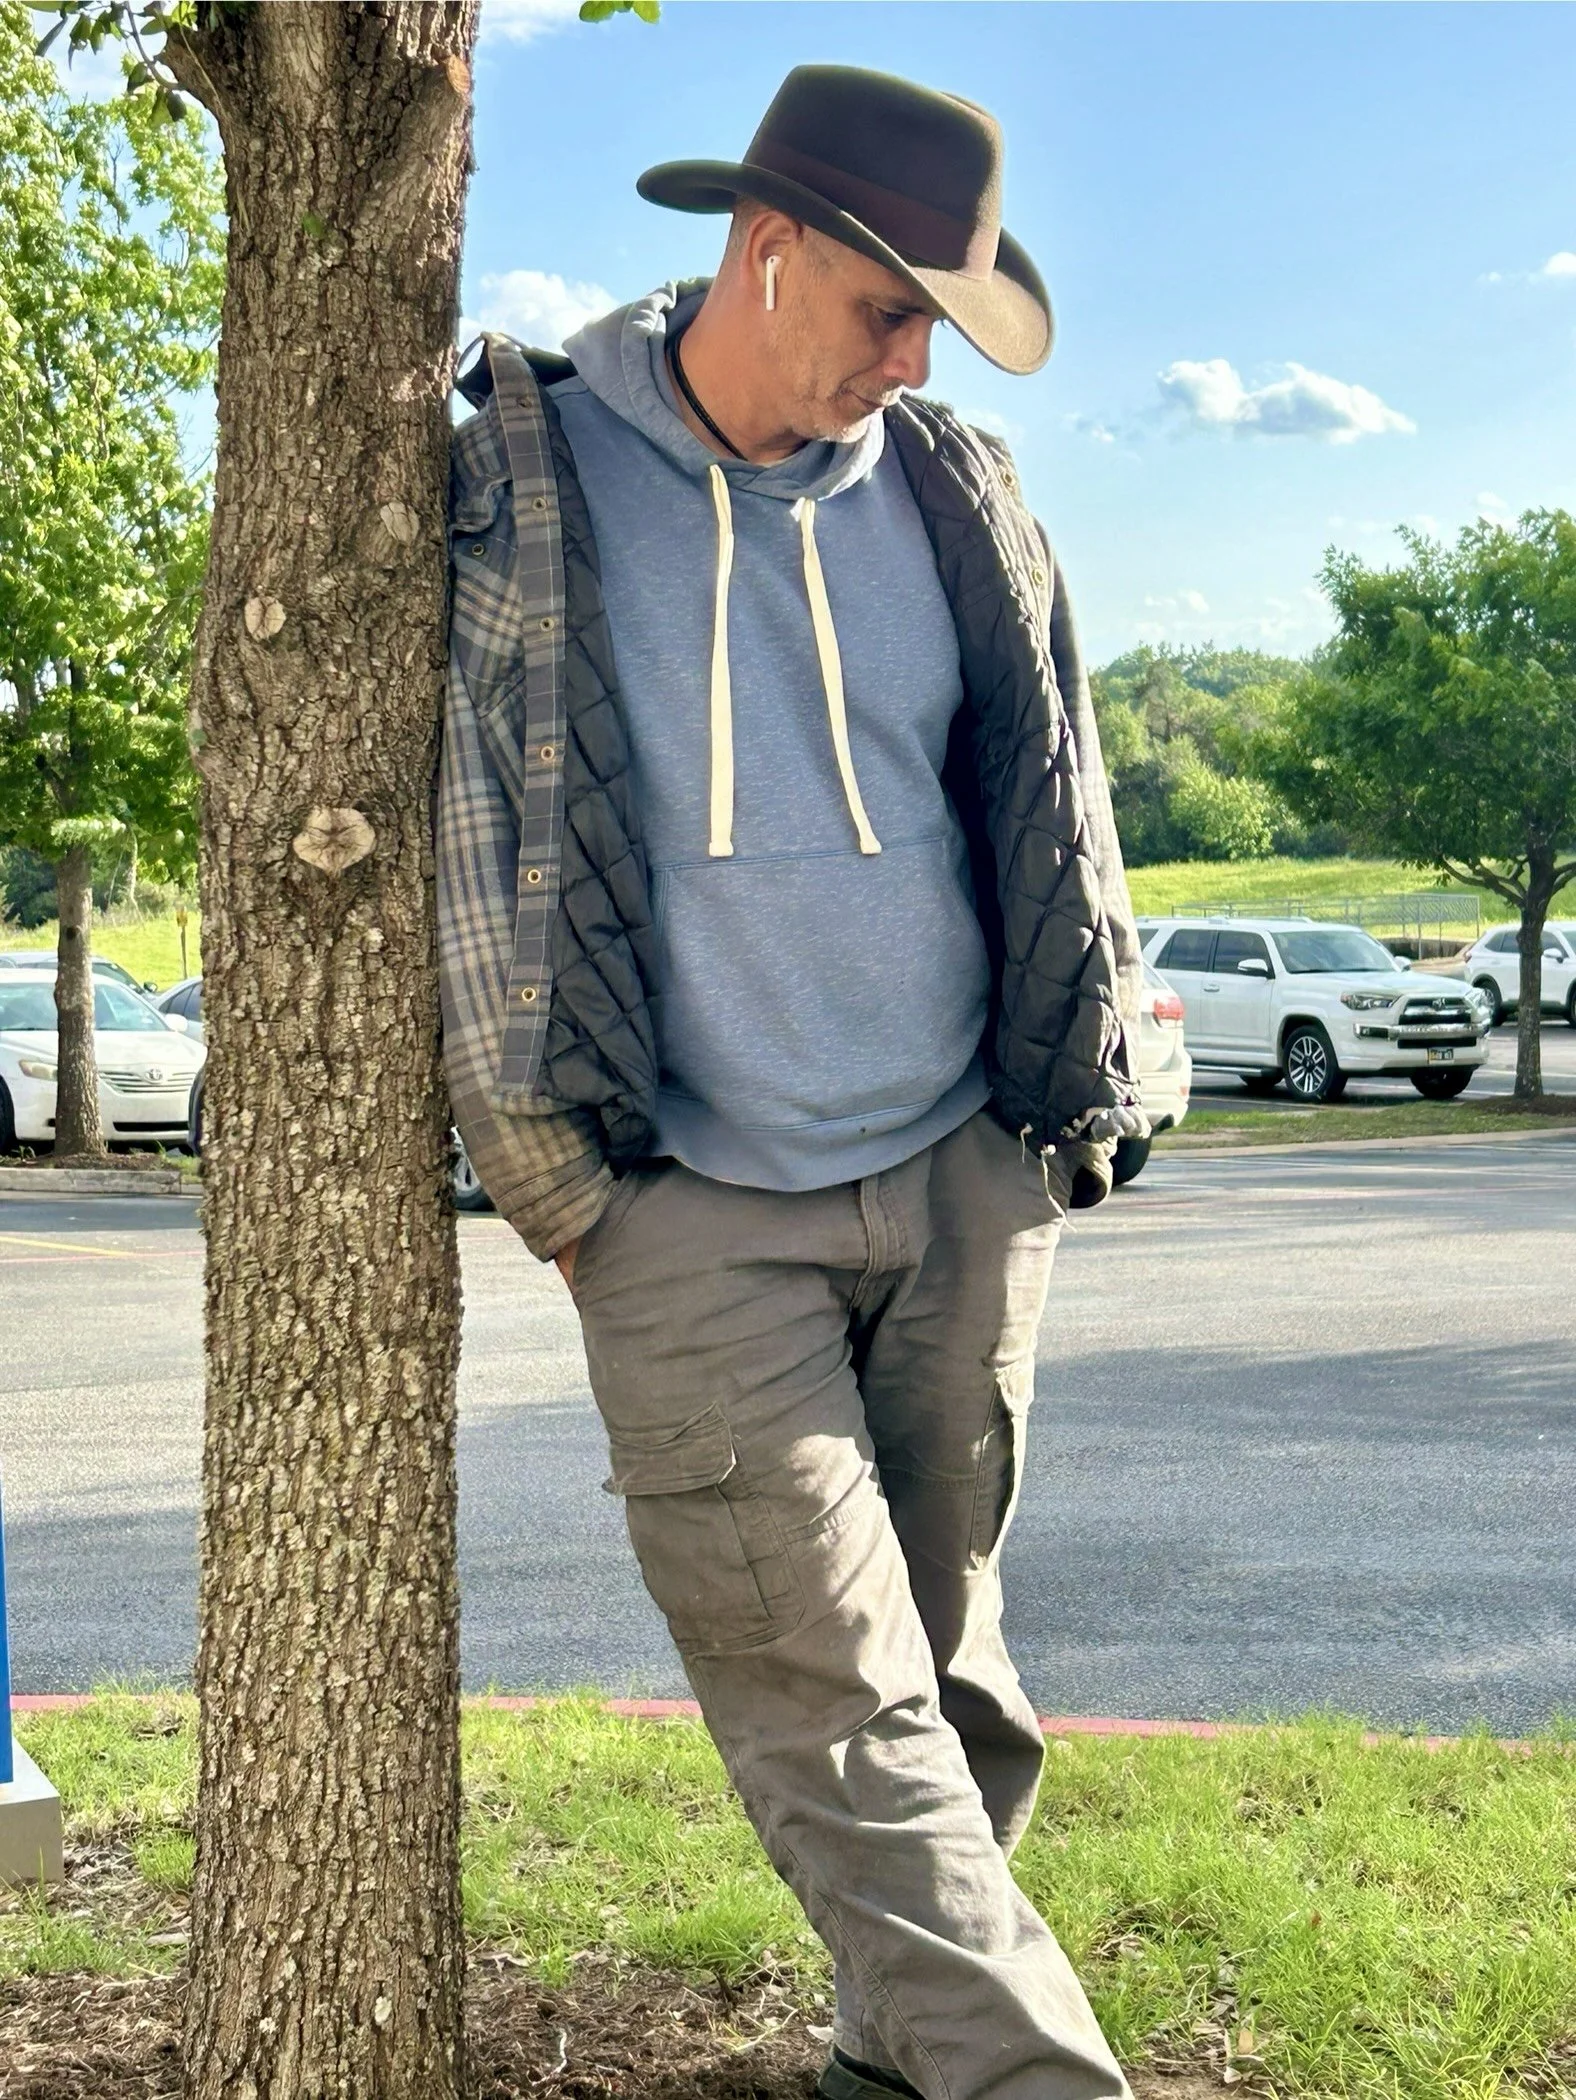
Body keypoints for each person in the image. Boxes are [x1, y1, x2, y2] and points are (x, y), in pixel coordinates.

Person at [439, 63, 1144, 2100]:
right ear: (764, 252)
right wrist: (558, 1187)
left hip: (956, 1169)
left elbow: (1052, 794)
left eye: (936, 322)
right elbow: (471, 828)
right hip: (685, 1210)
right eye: (887, 309)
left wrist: (1053, 1115)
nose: (911, 358)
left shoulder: (952, 491)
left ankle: (888, 2062)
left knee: (948, 1688)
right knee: (833, 1710)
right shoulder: (520, 470)